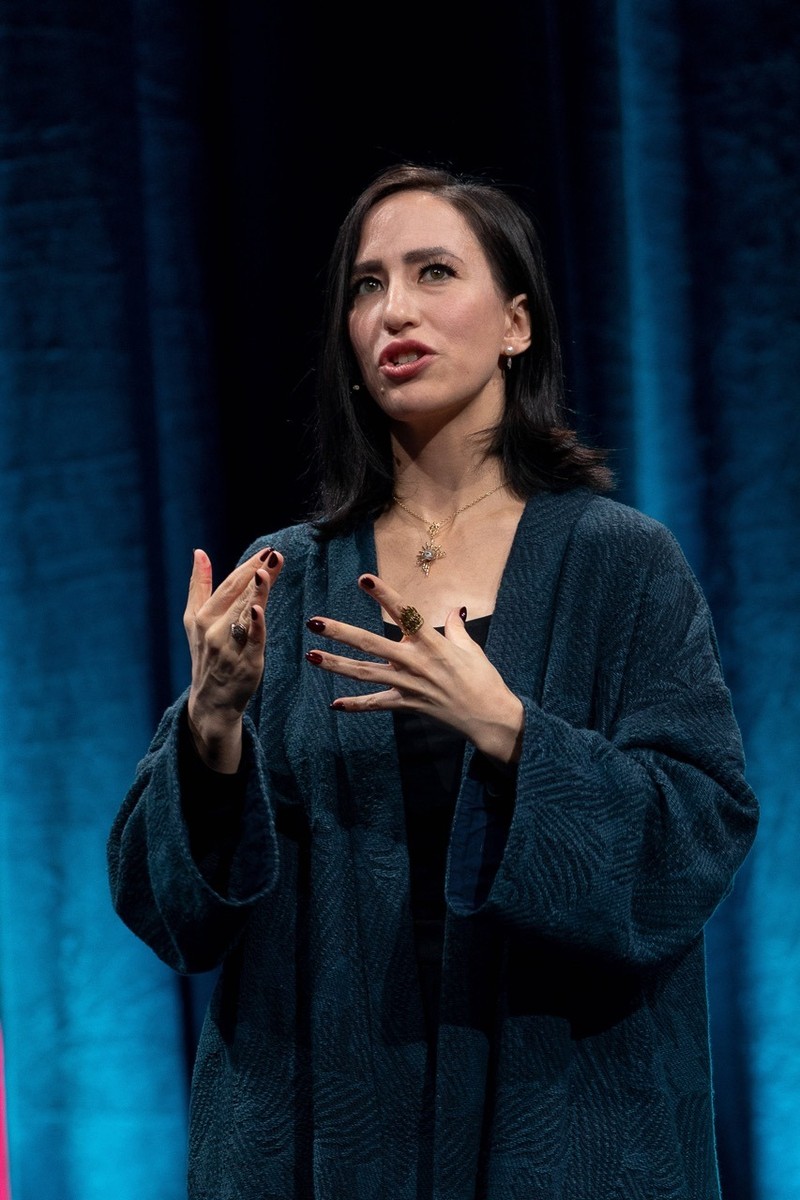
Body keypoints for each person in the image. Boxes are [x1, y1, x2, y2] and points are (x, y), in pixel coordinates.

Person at [108, 164, 758, 1200]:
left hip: (561, 1124)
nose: (393, 310)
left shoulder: (619, 563)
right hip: (318, 1134)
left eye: (433, 272)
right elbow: (168, 910)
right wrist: (213, 722)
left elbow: (695, 838)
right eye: (366, 286)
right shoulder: (287, 575)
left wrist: (507, 730)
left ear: (515, 324)